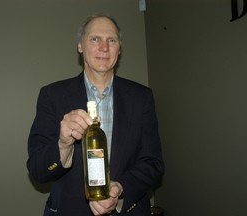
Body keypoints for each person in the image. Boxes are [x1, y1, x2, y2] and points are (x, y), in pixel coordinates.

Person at [27, 13, 164, 216]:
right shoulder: (52, 96)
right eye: (95, 39)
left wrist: (120, 188)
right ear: (80, 45)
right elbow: (38, 170)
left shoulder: (141, 97)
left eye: (111, 40)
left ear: (119, 48)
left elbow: (153, 164)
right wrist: (63, 144)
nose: (104, 47)